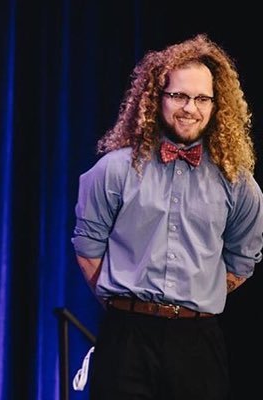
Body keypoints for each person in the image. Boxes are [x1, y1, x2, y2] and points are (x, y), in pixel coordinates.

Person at [71, 33, 263, 400]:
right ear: (155, 98)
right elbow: (87, 248)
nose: (190, 107)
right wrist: (130, 304)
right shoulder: (113, 170)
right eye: (178, 95)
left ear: (216, 104)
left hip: (197, 343)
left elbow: (242, 259)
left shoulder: (238, 183)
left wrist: (195, 293)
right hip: (126, 337)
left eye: (202, 98)